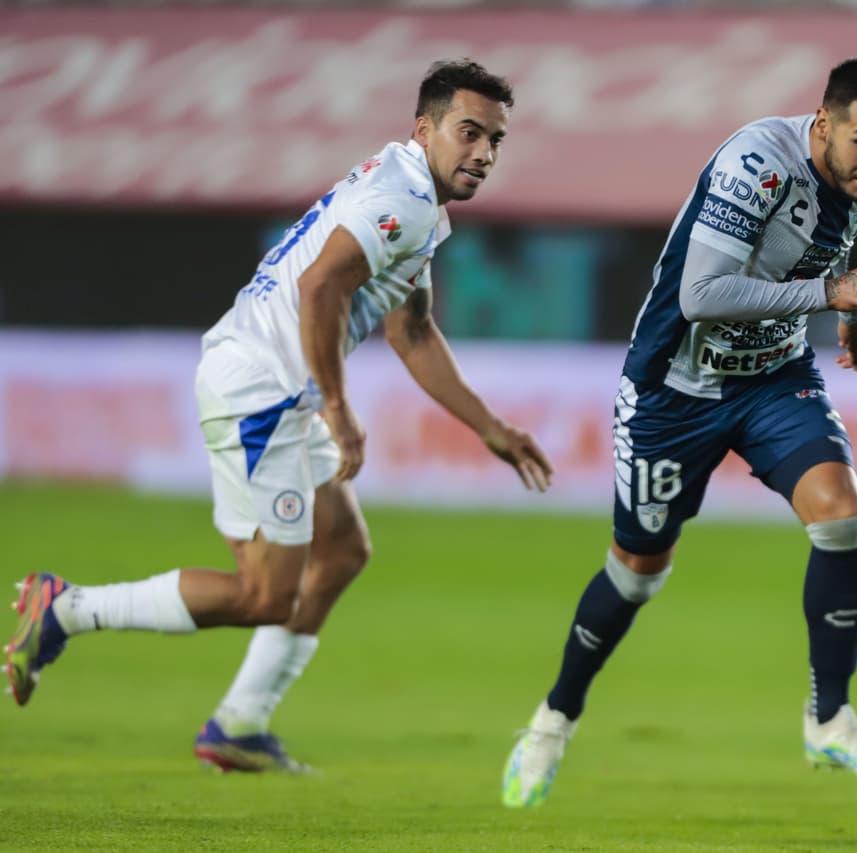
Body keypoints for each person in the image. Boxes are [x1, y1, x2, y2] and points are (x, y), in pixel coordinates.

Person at [6, 59, 554, 773]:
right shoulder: (401, 199)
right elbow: (321, 286)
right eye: (470, 133)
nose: (483, 153)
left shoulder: (414, 195)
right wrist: (337, 404)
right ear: (426, 129)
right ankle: (65, 608)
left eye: (496, 140)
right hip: (261, 393)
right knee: (264, 594)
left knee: (342, 551)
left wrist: (488, 425)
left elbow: (410, 330)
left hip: (279, 390)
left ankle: (239, 723)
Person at [502, 56, 857, 808]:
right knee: (636, 573)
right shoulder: (758, 163)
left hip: (772, 378)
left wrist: (851, 314)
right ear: (823, 125)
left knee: (843, 516)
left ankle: (830, 715)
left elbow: (851, 239)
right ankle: (554, 716)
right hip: (674, 389)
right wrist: (831, 294)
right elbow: (701, 293)